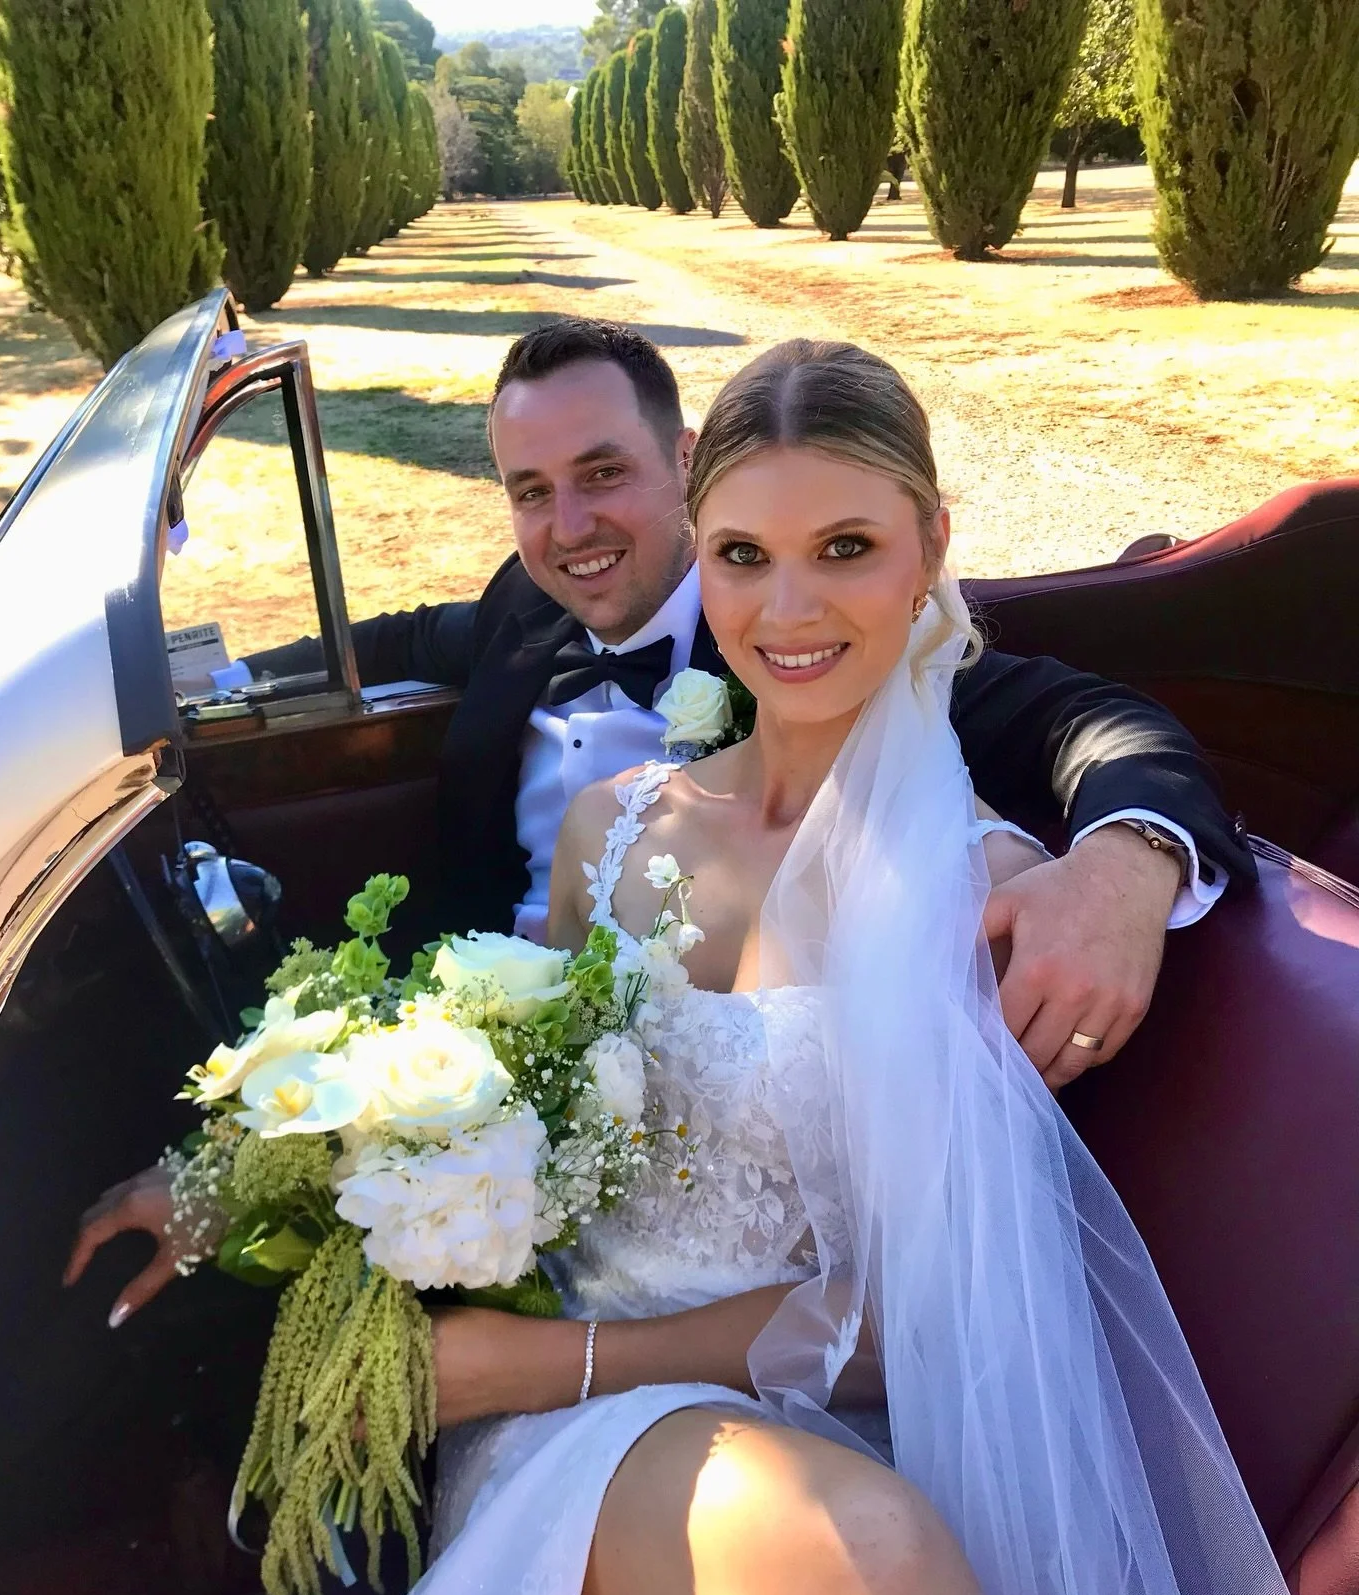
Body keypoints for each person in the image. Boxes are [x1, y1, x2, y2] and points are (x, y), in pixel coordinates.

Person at [191, 341, 1359, 1595]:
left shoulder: (993, 895)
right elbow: (536, 1124)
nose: (787, 613)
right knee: (853, 1568)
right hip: (562, 1467)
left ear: (933, 548)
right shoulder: (614, 834)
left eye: (847, 552)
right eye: (744, 555)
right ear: (698, 535)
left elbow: (921, 1322)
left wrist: (1128, 863)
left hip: (764, 1439)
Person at [74, 321, 1251, 1329]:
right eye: (530, 491)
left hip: (735, 1264)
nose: (567, 527)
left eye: (602, 474)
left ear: (683, 465)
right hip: (511, 1109)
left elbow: (1094, 724)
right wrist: (143, 698)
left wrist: (1122, 866)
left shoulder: (842, 656)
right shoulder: (524, 612)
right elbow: (388, 646)